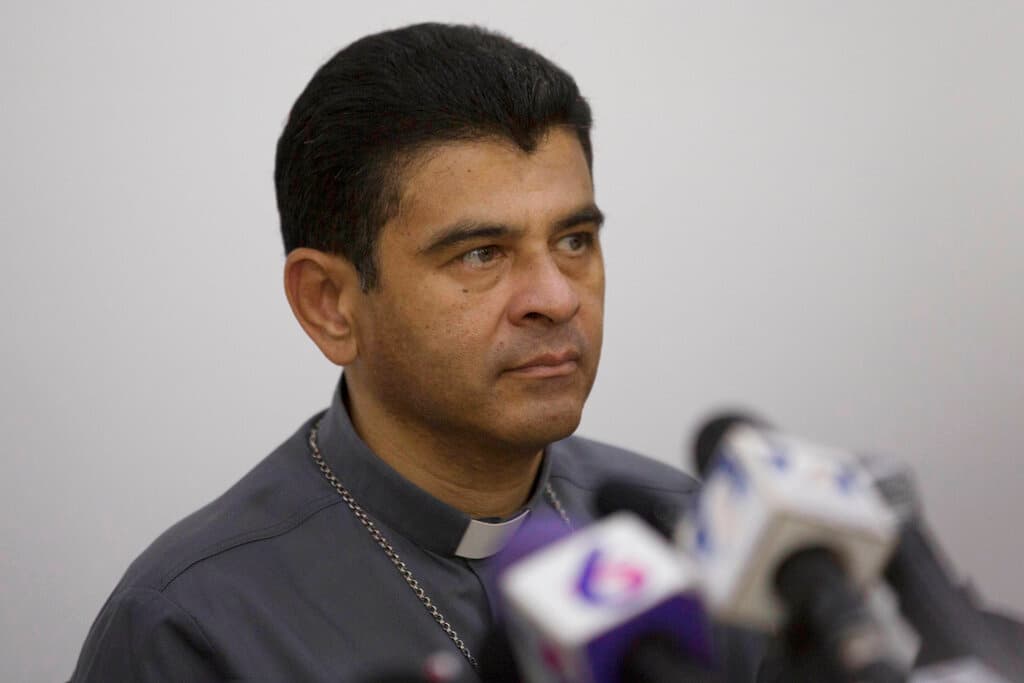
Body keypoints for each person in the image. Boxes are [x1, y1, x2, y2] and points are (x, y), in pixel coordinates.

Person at [70, 23, 761, 682]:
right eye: (482, 253)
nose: (556, 297)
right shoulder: (191, 623)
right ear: (330, 304)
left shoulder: (691, 535)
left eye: (574, 239)